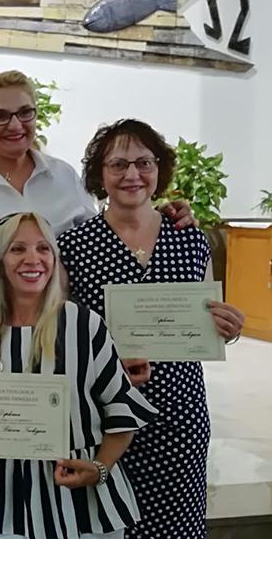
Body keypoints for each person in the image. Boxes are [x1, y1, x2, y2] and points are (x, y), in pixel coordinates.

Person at [57, 119, 245, 538]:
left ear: (159, 170)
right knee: (112, 531)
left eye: (144, 162)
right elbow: (62, 335)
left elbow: (209, 320)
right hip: (109, 417)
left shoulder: (191, 241)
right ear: (99, 174)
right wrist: (104, 364)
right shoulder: (74, 246)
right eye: (118, 164)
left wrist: (227, 327)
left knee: (177, 530)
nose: (132, 174)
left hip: (181, 412)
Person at [0, 211, 157, 538]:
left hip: (85, 502)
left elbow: (121, 409)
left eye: (43, 248)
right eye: (17, 249)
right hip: (7, 499)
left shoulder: (84, 325)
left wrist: (99, 469)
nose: (32, 259)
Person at [0, 70, 196, 304]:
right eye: (0, 116)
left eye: (25, 113)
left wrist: (154, 215)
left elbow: (104, 239)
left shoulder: (63, 176)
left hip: (59, 334)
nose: (15, 124)